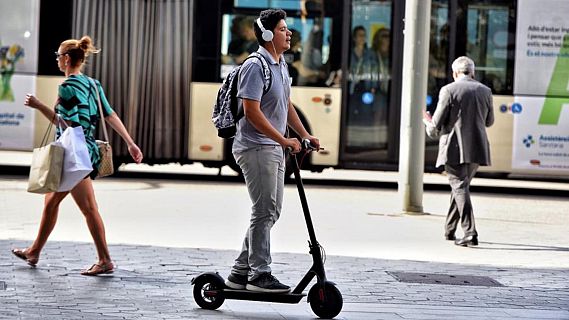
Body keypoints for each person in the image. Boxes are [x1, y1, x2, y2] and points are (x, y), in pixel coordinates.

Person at [11, 36, 143, 275]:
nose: (57, 60)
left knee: (86, 208)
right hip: (87, 151)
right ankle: (35, 251)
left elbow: (66, 124)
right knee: (54, 203)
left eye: (59, 56)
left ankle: (104, 260)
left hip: (75, 155)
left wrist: (38, 105)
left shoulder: (68, 87)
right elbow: (110, 115)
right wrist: (130, 143)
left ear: (67, 59)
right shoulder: (93, 84)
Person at [225, 9, 320, 293]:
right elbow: (251, 112)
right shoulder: (256, 65)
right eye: (282, 29)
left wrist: (304, 135)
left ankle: (240, 271)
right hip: (256, 147)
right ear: (267, 35)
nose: (288, 33)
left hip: (272, 149)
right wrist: (283, 139)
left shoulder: (280, 65)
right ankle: (259, 275)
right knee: (264, 210)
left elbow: (286, 105)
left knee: (270, 211)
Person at [423, 56, 494, 247]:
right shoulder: (485, 91)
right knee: (461, 187)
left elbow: (436, 126)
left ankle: (470, 233)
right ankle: (449, 229)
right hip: (478, 148)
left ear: (454, 73)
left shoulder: (448, 90)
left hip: (453, 147)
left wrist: (428, 122)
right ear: (473, 72)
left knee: (459, 187)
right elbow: (489, 122)